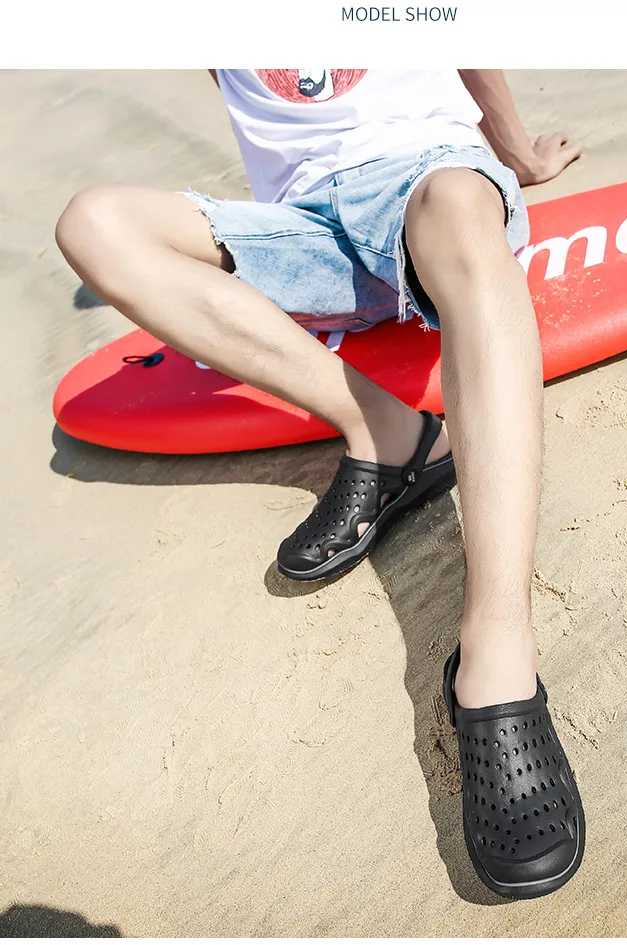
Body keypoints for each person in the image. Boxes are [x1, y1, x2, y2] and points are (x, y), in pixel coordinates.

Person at [55, 69, 585, 899]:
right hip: (304, 231)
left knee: (454, 197)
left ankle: (498, 652)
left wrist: (516, 156)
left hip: (433, 188)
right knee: (92, 223)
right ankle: (388, 430)